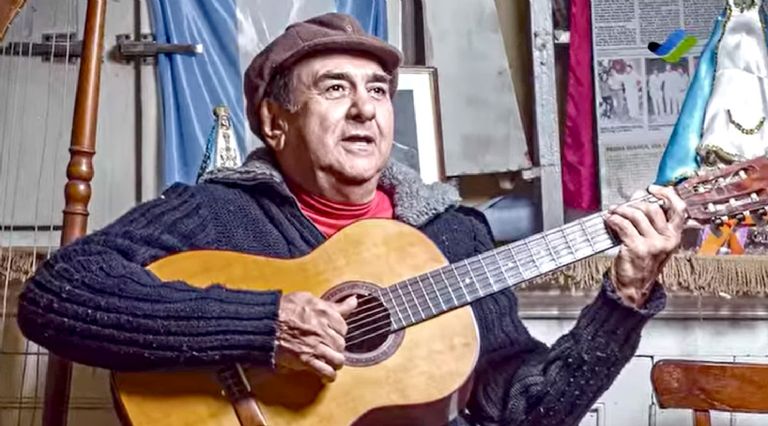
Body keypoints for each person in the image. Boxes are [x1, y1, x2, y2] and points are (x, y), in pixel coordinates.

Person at [17, 13, 687, 426]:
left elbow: (521, 413)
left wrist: (623, 299)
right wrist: (263, 325)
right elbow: (57, 295)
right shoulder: (218, 211)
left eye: (378, 91)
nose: (365, 109)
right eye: (335, 89)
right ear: (275, 122)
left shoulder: (453, 234)